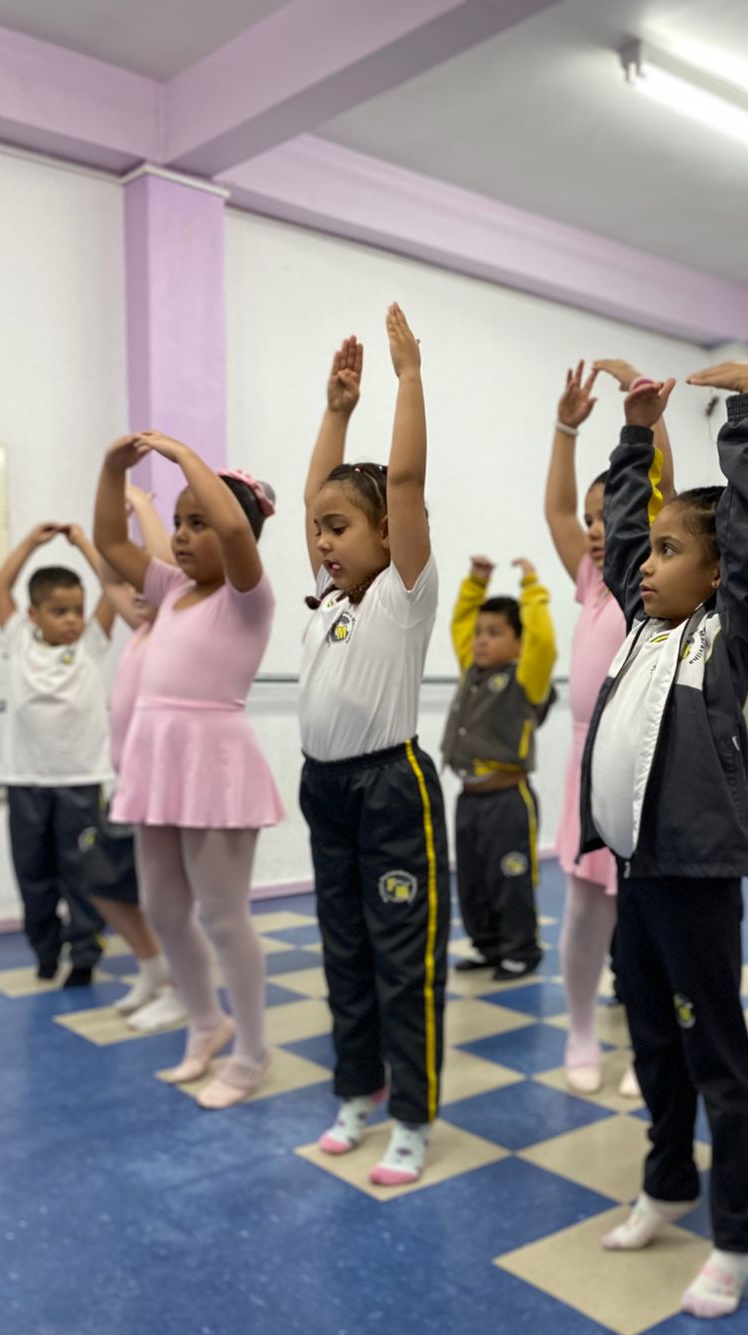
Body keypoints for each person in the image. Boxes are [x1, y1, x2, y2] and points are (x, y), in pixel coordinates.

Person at [580, 346, 748, 1319]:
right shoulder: (645, 630)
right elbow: (623, 539)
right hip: (637, 867)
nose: (644, 563)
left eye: (671, 553)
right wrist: (635, 437)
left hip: (697, 874)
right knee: (650, 1037)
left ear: (718, 574)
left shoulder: (731, 637)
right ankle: (668, 1179)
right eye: (648, 551)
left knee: (715, 1053)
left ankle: (737, 1236)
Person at [298, 314, 449, 1187]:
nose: (323, 542)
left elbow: (406, 480)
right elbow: (317, 492)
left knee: (403, 960)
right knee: (344, 951)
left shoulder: (403, 593)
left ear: (388, 533)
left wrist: (407, 378)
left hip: (392, 792)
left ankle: (412, 1119)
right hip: (325, 790)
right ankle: (358, 1088)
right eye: (318, 529)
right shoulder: (328, 600)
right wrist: (335, 410)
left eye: (341, 528)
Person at [94, 431, 284, 1109]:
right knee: (165, 909)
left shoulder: (247, 596)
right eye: (177, 522)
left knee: (224, 916)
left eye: (196, 523)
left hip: (215, 764)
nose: (180, 536)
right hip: (156, 760)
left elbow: (234, 529)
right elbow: (110, 544)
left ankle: (252, 1051)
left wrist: (182, 456)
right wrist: (111, 470)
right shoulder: (170, 587)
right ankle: (207, 1022)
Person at [544, 357, 674, 1096]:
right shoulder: (592, 579)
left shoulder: (648, 580)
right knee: (585, 909)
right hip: (583, 761)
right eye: (594, 520)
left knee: (645, 914)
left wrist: (645, 416)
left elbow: (666, 493)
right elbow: (558, 513)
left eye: (609, 517)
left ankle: (650, 1041)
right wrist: (566, 430)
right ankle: (581, 1030)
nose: (596, 531)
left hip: (643, 758)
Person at [0, 521, 115, 985]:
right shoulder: (17, 639)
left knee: (82, 874)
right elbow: (0, 587)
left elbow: (113, 586)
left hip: (80, 781)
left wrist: (84, 542)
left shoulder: (91, 642)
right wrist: (31, 542)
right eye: (59, 611)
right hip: (26, 781)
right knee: (34, 876)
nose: (72, 620)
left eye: (77, 610)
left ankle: (84, 953)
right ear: (33, 614)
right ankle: (45, 950)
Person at [87, 484, 186, 1026]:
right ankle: (152, 967)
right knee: (103, 885)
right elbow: (109, 577)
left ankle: (181, 988)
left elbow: (165, 575)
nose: (137, 591)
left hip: (160, 788)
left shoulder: (174, 628)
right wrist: (112, 524)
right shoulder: (142, 629)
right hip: (128, 786)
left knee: (164, 898)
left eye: (146, 582)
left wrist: (146, 509)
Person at [442, 553, 556, 980]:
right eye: (479, 633)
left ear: (519, 643)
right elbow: (460, 625)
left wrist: (531, 589)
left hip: (508, 802)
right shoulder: (471, 670)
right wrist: (475, 585)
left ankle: (520, 950)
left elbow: (543, 642)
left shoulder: (526, 678)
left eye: (494, 633)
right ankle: (487, 946)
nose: (481, 641)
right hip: (468, 800)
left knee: (510, 878)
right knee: (473, 880)